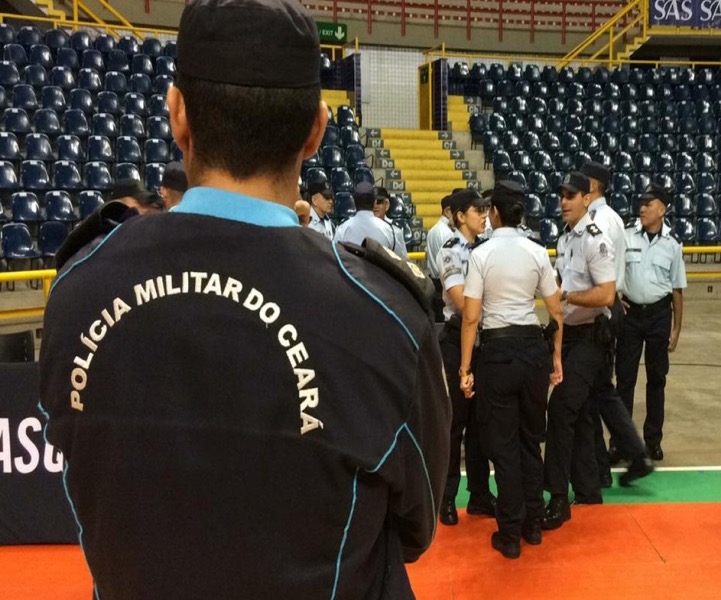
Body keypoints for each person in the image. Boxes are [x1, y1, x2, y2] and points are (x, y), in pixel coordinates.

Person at [39, 1, 450, 597]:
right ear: (315, 130)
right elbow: (417, 521)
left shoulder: (79, 287)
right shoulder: (382, 314)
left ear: (178, 115)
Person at [459, 180, 563, 559]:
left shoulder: (481, 255)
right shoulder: (537, 251)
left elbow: (471, 318)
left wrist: (465, 368)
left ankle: (510, 532)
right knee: (529, 441)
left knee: (502, 447)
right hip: (533, 351)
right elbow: (555, 311)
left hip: (498, 354)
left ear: (496, 213)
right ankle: (534, 525)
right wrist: (556, 358)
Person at [542, 171, 617, 530]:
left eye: (571, 195)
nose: (564, 201)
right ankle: (588, 489)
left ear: (588, 198)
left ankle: (558, 496)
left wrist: (566, 296)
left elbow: (606, 294)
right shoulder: (566, 238)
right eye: (561, 194)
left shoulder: (593, 239)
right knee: (584, 415)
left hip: (590, 337)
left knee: (560, 409)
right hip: (568, 335)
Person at [615, 184, 687, 462]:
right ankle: (622, 441)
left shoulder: (673, 243)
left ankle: (652, 440)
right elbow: (615, 271)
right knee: (625, 379)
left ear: (662, 209)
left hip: (659, 315)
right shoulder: (626, 236)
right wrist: (614, 298)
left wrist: (676, 328)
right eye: (641, 203)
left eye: (649, 204)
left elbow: (677, 290)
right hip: (631, 315)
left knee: (657, 380)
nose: (642, 208)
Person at [437, 188, 495, 526]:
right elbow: (460, 301)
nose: (483, 214)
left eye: (486, 209)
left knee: (481, 424)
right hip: (458, 338)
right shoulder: (451, 250)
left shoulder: (488, 248)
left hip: (484, 337)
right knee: (454, 424)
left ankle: (479, 495)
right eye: (476, 209)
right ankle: (446, 497)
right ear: (460, 215)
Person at [580, 161, 627, 479]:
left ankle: (628, 452)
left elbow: (599, 277)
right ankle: (601, 463)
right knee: (596, 391)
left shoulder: (600, 221)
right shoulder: (611, 218)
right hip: (605, 310)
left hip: (601, 313)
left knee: (597, 392)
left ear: (593, 187)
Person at [335, 181, 408, 258]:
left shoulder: (342, 230)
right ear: (374, 201)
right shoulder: (391, 231)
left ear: (353, 201)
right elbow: (403, 263)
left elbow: (335, 261)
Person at [426, 194, 456, 322]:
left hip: (434, 282)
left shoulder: (433, 230)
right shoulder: (447, 233)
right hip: (444, 285)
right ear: (448, 210)